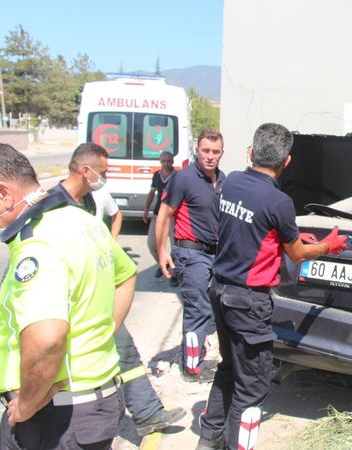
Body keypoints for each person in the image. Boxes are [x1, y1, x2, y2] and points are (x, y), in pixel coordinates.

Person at [0, 142, 137, 448]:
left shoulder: (39, 242)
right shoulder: (84, 221)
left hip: (57, 417)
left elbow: (46, 340)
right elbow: (125, 276)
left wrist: (28, 404)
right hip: (93, 405)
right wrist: (101, 335)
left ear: (4, 193)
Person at [197, 123, 347, 449]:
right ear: (287, 162)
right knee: (251, 387)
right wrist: (326, 246)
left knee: (229, 369)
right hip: (248, 303)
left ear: (251, 152)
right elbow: (297, 254)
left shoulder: (232, 181)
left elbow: (251, 230)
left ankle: (208, 441)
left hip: (219, 291)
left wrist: (284, 237)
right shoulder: (279, 201)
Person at [51, 142, 187, 436]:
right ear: (85, 170)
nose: (106, 177)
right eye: (102, 171)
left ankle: (147, 412)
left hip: (98, 298)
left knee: (125, 350)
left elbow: (116, 248)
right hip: (70, 305)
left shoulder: (90, 198)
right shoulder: (52, 205)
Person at [156, 128, 226, 382]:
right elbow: (164, 214)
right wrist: (163, 251)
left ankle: (195, 355)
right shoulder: (183, 178)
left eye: (215, 152)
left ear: (222, 153)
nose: (210, 156)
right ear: (197, 151)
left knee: (212, 309)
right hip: (189, 252)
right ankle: (192, 367)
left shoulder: (223, 180)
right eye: (205, 151)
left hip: (214, 254)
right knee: (198, 310)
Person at [144, 151, 176, 279]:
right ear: (160, 161)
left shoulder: (178, 176)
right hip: (158, 214)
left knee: (176, 247)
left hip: (173, 216)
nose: (166, 164)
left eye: (168, 161)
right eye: (163, 161)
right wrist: (146, 209)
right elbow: (152, 193)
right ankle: (163, 264)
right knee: (152, 244)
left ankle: (175, 274)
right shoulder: (156, 175)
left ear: (173, 161)